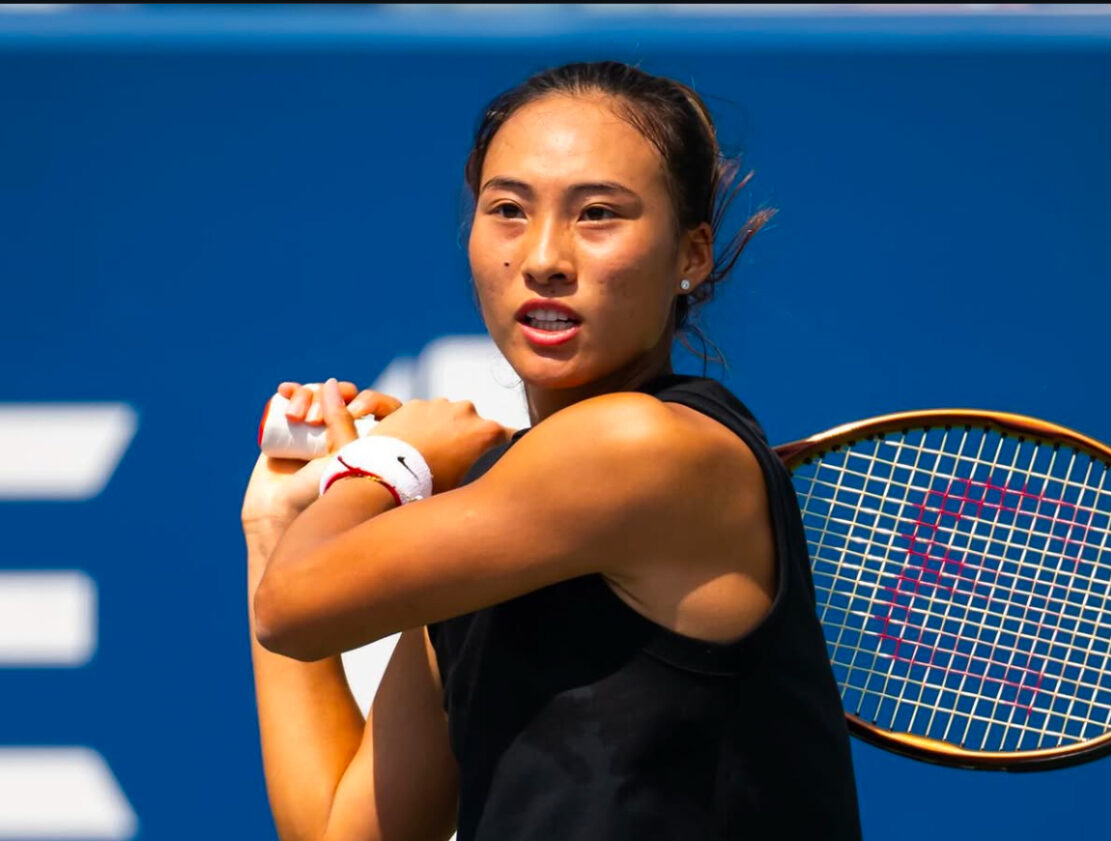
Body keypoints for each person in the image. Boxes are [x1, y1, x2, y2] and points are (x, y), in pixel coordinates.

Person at [241, 61, 861, 841]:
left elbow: (295, 609)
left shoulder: (644, 446)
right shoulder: (505, 505)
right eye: (507, 209)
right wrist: (274, 523)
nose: (542, 257)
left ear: (692, 255)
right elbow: (347, 831)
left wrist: (390, 465)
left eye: (598, 213)